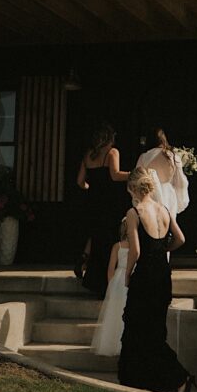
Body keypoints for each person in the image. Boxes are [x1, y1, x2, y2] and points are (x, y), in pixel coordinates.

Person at [117, 167, 193, 392]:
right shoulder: (164, 210)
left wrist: (128, 274)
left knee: (137, 327)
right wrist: (162, 250)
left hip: (145, 277)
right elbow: (181, 239)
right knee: (156, 329)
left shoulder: (134, 212)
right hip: (162, 275)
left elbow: (136, 251)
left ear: (133, 188)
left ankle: (177, 376)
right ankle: (157, 379)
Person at [76, 123, 128, 298]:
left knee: (97, 238)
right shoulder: (112, 152)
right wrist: (136, 173)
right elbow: (115, 175)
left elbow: (80, 182)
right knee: (109, 240)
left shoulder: (88, 155)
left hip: (93, 201)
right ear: (110, 138)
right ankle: (106, 284)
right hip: (109, 202)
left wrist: (91, 187)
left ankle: (92, 278)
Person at [91, 217, 130, 357]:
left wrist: (111, 286)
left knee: (117, 311)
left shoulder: (118, 246)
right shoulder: (134, 246)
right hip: (128, 277)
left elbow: (110, 269)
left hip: (119, 279)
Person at [136, 127, 189, 217]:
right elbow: (181, 182)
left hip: (150, 196)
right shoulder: (173, 156)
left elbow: (137, 179)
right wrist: (181, 199)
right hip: (169, 196)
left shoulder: (144, 157)